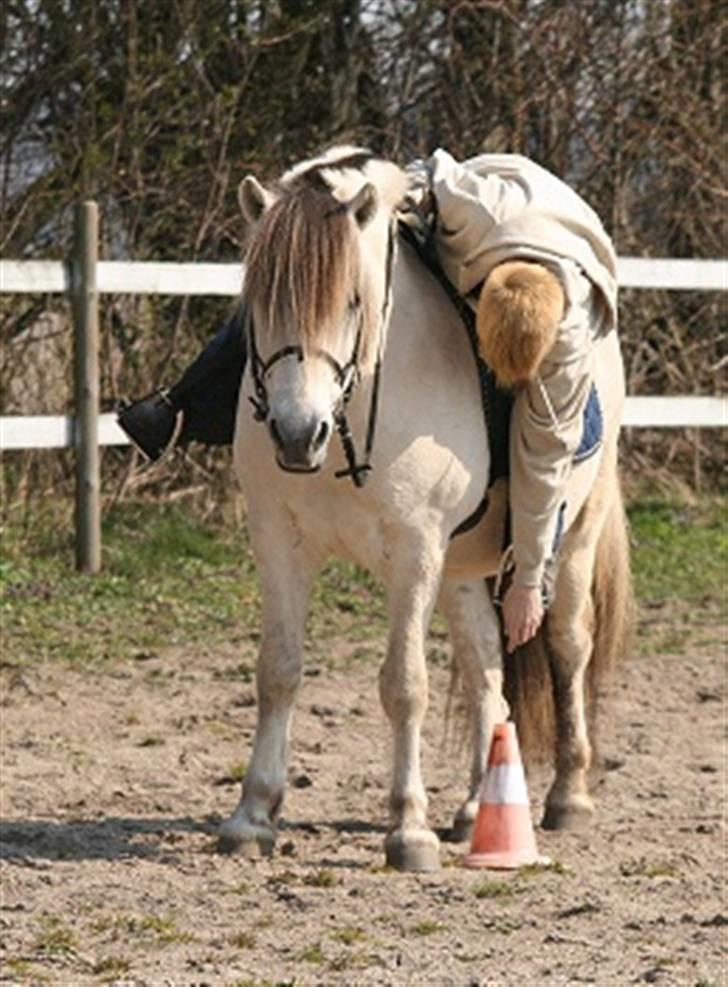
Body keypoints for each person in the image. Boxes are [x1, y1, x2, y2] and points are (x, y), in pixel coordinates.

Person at [117, 149, 618, 653]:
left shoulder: (567, 339)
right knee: (296, 284)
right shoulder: (471, 209)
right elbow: (424, 177)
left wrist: (530, 575)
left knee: (554, 430)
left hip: (561, 248)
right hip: (480, 215)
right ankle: (180, 402)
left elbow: (548, 445)